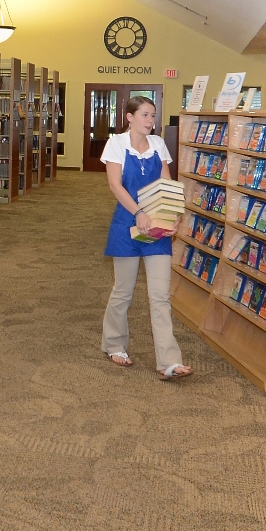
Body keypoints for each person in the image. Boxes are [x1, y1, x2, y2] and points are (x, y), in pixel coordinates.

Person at [100, 96, 191, 379]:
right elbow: (115, 185)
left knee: (160, 296)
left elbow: (167, 185)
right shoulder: (116, 144)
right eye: (144, 115)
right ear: (129, 117)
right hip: (127, 225)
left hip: (156, 228)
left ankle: (169, 362)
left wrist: (174, 215)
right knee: (123, 292)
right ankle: (114, 345)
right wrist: (139, 212)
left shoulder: (158, 144)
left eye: (153, 116)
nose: (150, 121)